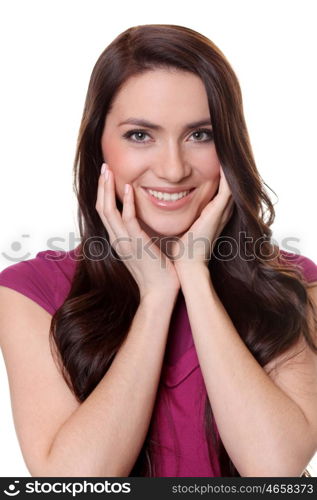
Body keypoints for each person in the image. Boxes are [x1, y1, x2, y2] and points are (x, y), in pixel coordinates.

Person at [0, 24, 317, 478]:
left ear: (230, 146)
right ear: (99, 147)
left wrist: (194, 275)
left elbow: (274, 471)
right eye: (140, 135)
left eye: (201, 135)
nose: (173, 169)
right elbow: (73, 483)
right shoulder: (30, 291)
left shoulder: (294, 283)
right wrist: (155, 297)